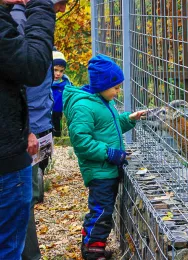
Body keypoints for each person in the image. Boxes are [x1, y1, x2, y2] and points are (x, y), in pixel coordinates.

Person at [63, 54, 147, 260]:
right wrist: (109, 153)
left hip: (107, 168)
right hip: (100, 170)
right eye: (116, 88)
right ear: (102, 84)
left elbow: (108, 127)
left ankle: (90, 245)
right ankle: (93, 252)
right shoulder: (84, 106)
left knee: (101, 210)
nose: (118, 92)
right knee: (101, 212)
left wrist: (128, 119)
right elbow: (82, 142)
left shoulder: (101, 100)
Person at [10, 1, 68, 259]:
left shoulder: (30, 21)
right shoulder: (21, 23)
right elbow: (25, 82)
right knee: (23, 201)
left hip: (34, 129)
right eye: (60, 3)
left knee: (28, 196)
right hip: (24, 134)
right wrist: (28, 130)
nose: (63, 9)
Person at [0, 0, 56, 258]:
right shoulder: (18, 20)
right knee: (10, 245)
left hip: (18, 138)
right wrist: (40, 6)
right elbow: (31, 67)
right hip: (8, 158)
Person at [52, 49, 71, 137]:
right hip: (45, 114)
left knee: (55, 134)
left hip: (58, 113)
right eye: (55, 70)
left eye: (61, 71)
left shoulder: (66, 83)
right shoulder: (43, 83)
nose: (58, 73)